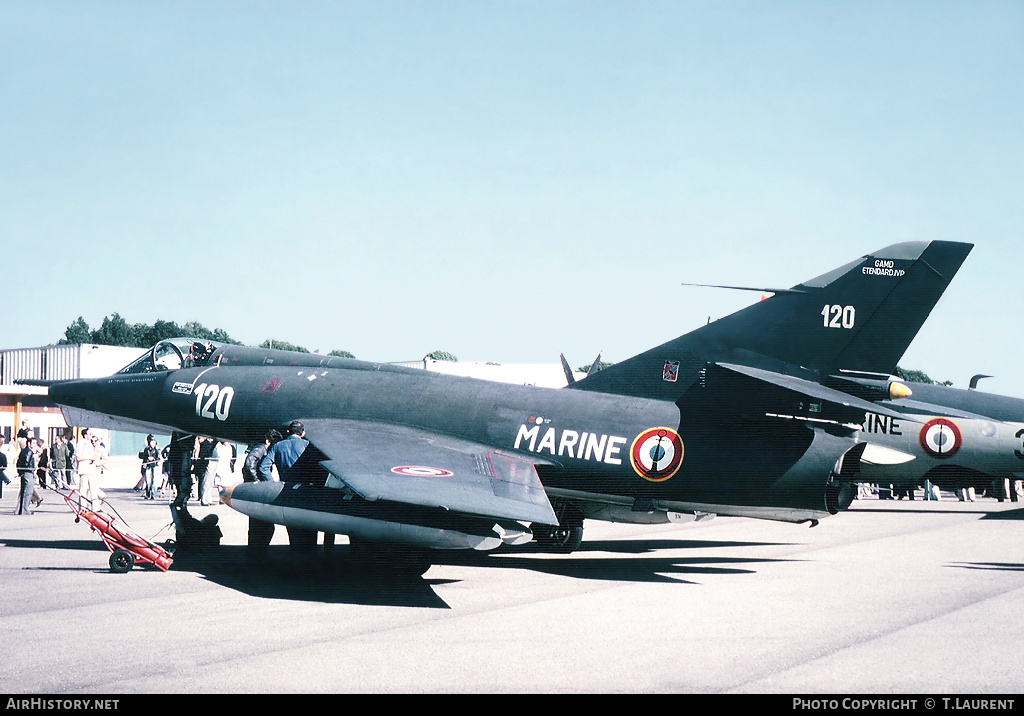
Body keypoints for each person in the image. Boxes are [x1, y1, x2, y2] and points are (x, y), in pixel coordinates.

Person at [259, 421, 319, 549]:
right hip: (306, 492)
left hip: (287, 491)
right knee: (310, 532)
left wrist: (273, 485)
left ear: (288, 432)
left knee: (293, 533)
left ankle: (295, 560)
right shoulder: (308, 445)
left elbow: (263, 468)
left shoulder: (278, 446)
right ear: (303, 433)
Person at [242, 429, 281, 549]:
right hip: (258, 490)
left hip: (257, 489)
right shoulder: (261, 448)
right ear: (268, 441)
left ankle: (256, 550)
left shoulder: (262, 448)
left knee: (260, 525)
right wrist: (256, 482)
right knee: (262, 525)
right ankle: (257, 551)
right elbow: (249, 464)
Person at [16, 437, 36, 515]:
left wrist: (20, 472)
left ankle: (19, 509)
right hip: (28, 473)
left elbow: (19, 462)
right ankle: (25, 509)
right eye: (33, 443)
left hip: (23, 473)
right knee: (28, 492)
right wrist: (32, 471)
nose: (35, 445)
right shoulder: (29, 451)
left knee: (23, 492)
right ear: (29, 443)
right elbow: (27, 462)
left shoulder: (23, 451)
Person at [139, 435, 161, 500]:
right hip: (148, 465)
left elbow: (159, 458)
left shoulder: (157, 450)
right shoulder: (146, 449)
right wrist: (147, 458)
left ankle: (153, 494)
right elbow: (141, 456)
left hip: (154, 465)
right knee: (148, 480)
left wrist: (153, 459)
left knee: (154, 480)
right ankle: (148, 493)